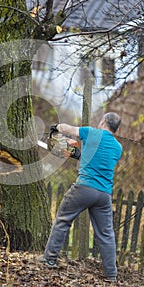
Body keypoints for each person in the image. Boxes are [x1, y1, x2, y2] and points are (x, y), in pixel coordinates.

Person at [42, 112, 122, 283]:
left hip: (84, 188)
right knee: (106, 234)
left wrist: (56, 127)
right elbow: (97, 160)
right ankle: (111, 275)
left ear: (103, 121)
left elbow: (68, 129)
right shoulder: (118, 148)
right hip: (104, 195)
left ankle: (49, 259)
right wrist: (79, 155)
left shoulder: (92, 132)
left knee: (63, 220)